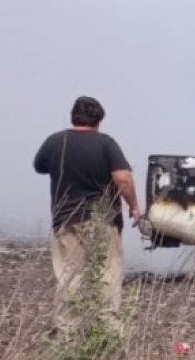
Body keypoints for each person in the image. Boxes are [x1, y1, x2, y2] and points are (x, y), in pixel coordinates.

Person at [33, 96, 140, 340]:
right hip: (102, 219)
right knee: (107, 274)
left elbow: (39, 166)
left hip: (65, 218)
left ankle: (66, 332)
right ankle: (107, 331)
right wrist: (133, 206)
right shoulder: (106, 144)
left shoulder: (55, 141)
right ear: (99, 120)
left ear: (73, 117)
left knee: (69, 274)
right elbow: (122, 178)